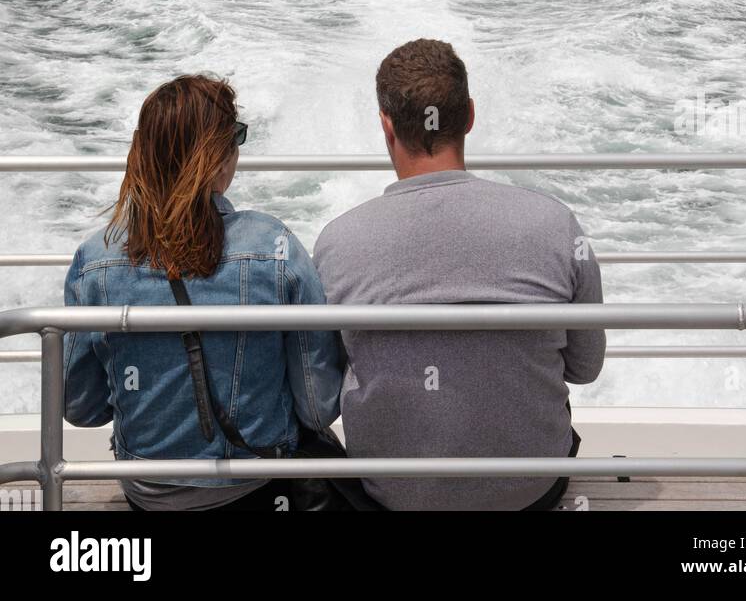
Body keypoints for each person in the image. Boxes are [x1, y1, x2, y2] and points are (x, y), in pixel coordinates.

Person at [314, 38, 606, 512]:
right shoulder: (555, 224)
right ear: (469, 115)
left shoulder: (337, 241)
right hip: (529, 491)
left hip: (393, 495)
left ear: (386, 126)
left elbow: (323, 389)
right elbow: (585, 367)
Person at [63, 75, 342, 511]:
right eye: (236, 137)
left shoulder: (95, 259)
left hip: (147, 493)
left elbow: (82, 408)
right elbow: (318, 406)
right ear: (217, 159)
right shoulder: (275, 246)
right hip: (256, 487)